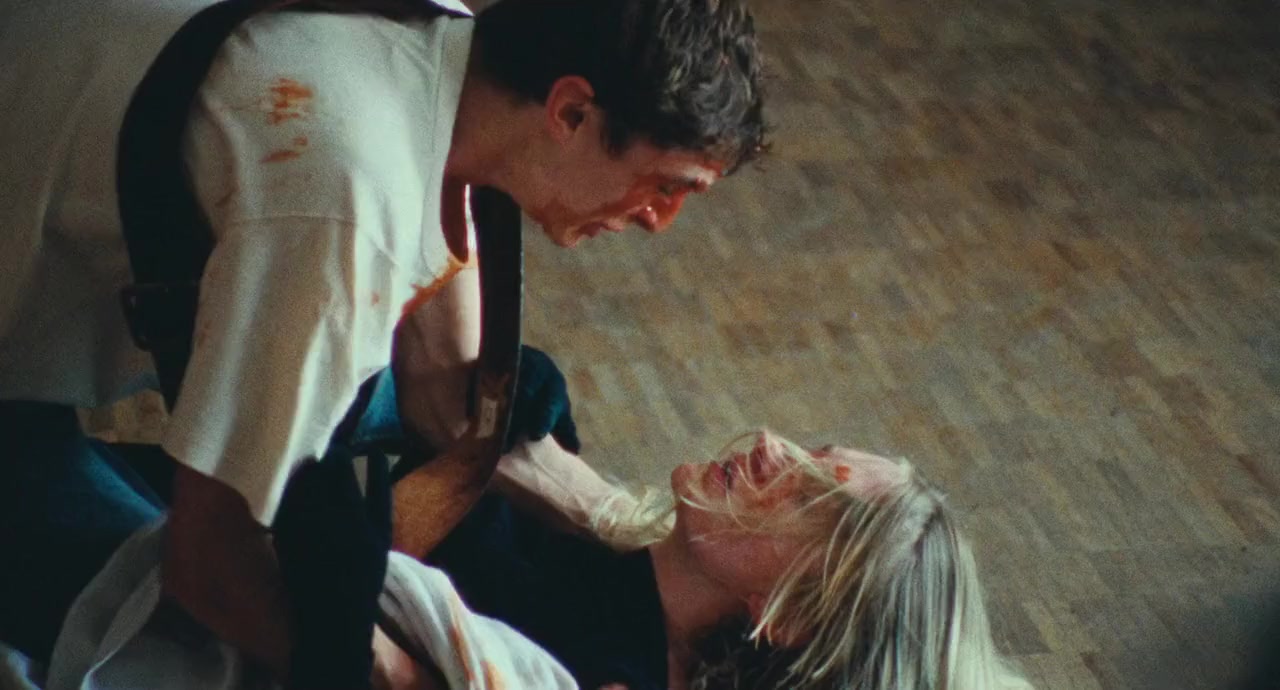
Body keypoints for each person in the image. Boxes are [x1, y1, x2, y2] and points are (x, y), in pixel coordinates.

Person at [0, 0, 765, 685]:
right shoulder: (349, 215)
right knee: (158, 627)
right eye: (668, 186)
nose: (658, 221)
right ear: (569, 112)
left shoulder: (445, 39)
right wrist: (403, 676)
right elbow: (210, 570)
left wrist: (618, 520)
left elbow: (444, 393)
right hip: (19, 368)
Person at [428, 431, 1035, 690]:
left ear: (786, 616)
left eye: (807, 497)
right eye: (813, 451)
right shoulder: (610, 584)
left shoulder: (572, 647)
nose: (771, 443)